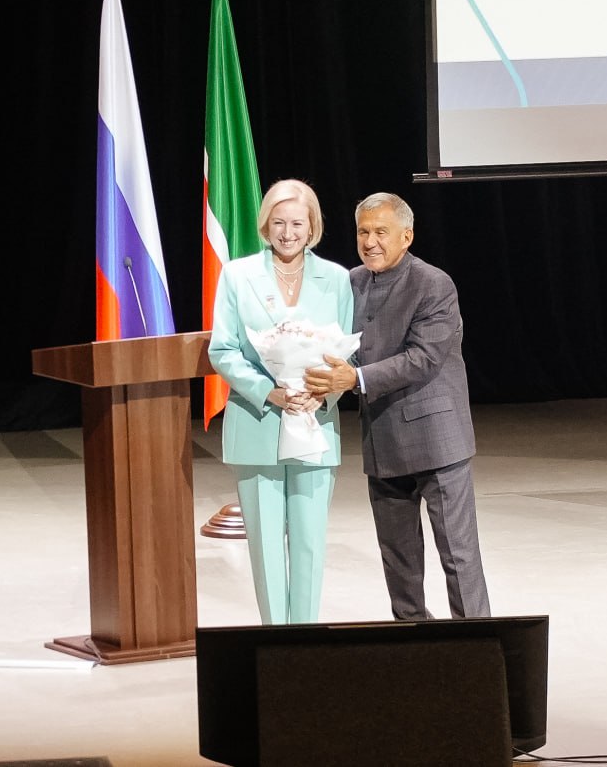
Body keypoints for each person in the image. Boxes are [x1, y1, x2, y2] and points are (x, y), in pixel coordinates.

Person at [305, 192, 491, 620]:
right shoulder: (351, 283)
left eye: (381, 232)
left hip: (437, 442)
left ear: (406, 236)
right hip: (382, 441)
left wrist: (355, 379)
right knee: (398, 559)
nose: (370, 242)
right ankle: (412, 639)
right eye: (363, 232)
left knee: (458, 556)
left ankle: (477, 641)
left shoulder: (433, 284)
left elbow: (423, 358)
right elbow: (336, 345)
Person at [208, 179, 353, 624]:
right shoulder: (237, 275)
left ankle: (304, 642)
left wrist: (322, 391)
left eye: (297, 224)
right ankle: (273, 640)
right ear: (265, 225)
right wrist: (268, 391)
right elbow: (223, 350)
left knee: (310, 543)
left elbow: (346, 353)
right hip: (258, 423)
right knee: (266, 547)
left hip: (314, 424)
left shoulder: (337, 278)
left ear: (313, 228)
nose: (287, 233)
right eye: (278, 223)